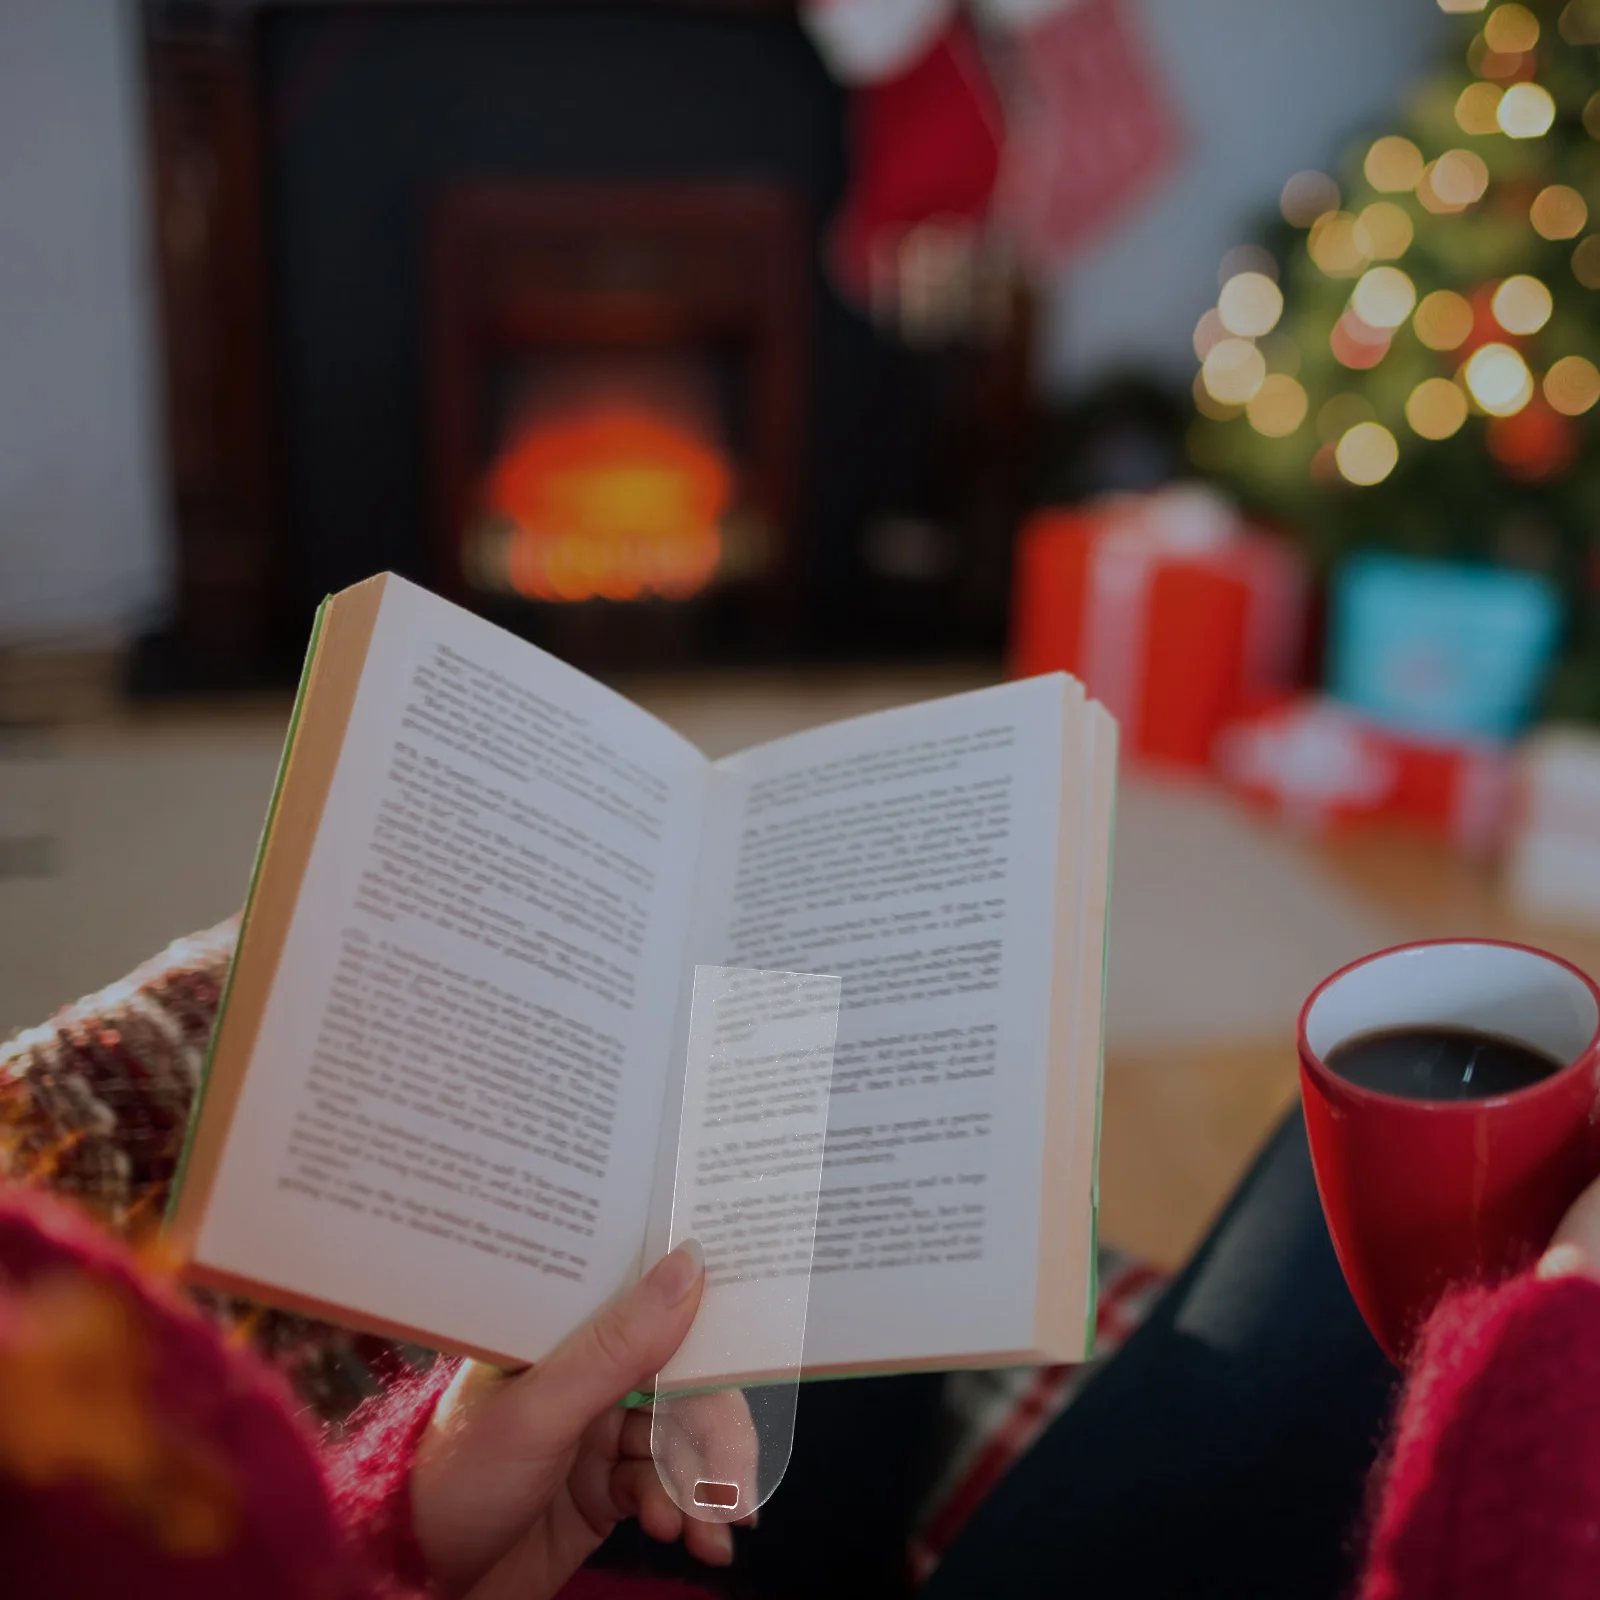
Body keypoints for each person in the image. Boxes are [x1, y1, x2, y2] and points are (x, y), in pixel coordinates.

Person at [6, 1109, 1600, 1599]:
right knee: (1452, 1150)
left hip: (608, 1563)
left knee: (833, 1112)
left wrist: (407, 1543)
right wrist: (1547, 1386)